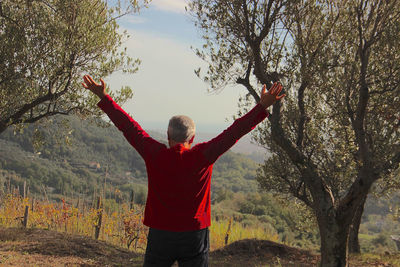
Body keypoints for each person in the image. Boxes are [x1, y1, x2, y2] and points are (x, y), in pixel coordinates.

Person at [82, 75, 285, 267]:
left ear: (168, 136)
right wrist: (262, 106)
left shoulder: (155, 154)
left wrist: (103, 97)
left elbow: (128, 126)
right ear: (193, 138)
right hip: (194, 235)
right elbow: (234, 132)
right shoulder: (203, 155)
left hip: (161, 233)